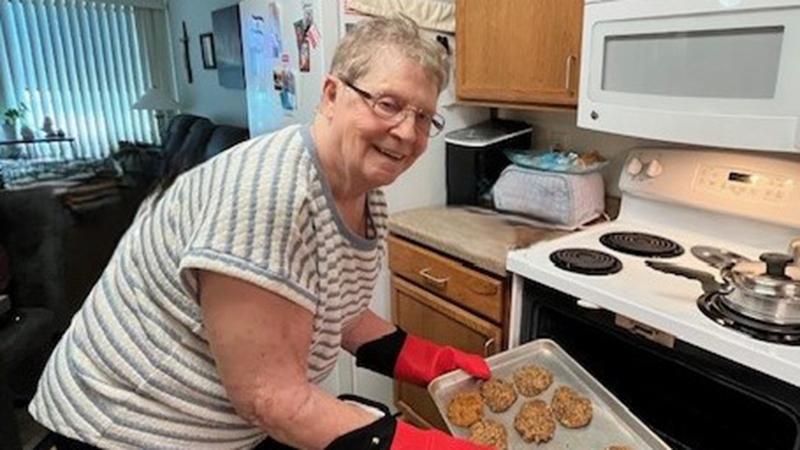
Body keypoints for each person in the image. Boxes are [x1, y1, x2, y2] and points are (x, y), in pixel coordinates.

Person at [28, 15, 495, 450]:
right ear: (331, 94)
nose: (406, 133)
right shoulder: (270, 193)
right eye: (389, 104)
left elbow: (336, 309)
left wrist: (426, 359)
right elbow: (270, 400)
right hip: (120, 429)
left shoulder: (363, 191)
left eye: (423, 118)